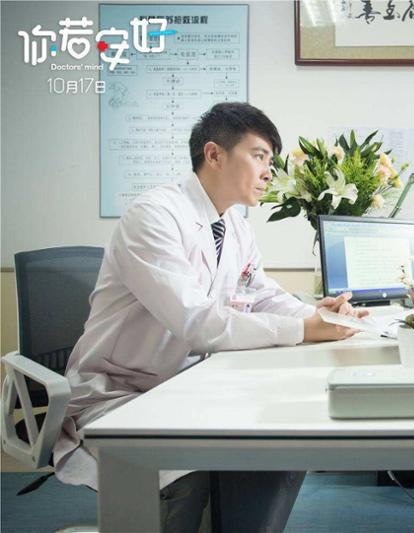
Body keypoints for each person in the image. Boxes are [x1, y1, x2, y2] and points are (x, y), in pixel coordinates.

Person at [53, 102, 363, 532]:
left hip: (185, 384)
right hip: (120, 391)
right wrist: (303, 329)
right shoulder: (154, 215)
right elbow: (197, 322)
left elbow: (262, 293)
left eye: (270, 161)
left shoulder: (235, 227)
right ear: (214, 154)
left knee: (279, 439)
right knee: (194, 465)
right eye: (259, 156)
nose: (269, 172)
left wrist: (317, 316)